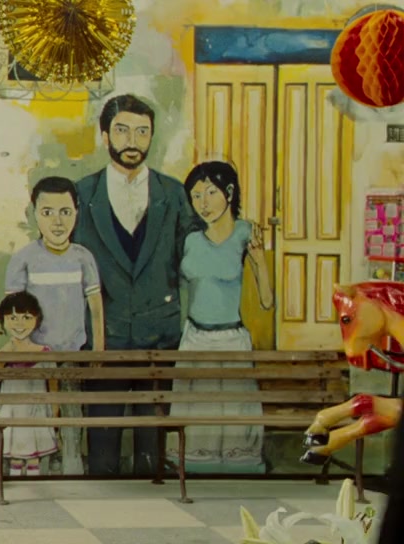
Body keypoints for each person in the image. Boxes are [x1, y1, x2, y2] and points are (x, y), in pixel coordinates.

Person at [72, 93, 195, 476]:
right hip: (102, 335)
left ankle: (154, 489)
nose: (133, 141)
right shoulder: (81, 195)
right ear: (105, 136)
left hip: (159, 332)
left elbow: (190, 258)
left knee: (152, 444)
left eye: (142, 132)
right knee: (102, 442)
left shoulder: (173, 194)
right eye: (123, 130)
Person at [165, 161, 271, 472]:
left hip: (231, 339)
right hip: (194, 339)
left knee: (233, 409)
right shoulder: (189, 239)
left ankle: (238, 464)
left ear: (229, 192)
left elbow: (267, 301)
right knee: (196, 411)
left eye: (211, 193)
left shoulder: (246, 233)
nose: (204, 203)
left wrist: (260, 261)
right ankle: (193, 464)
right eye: (196, 196)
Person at [4, 176, 103, 475]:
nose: (57, 222)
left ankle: (73, 473)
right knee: (37, 420)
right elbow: (12, 313)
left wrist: (98, 351)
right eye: (47, 212)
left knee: (72, 419)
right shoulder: (23, 259)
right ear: (34, 213)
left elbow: (96, 309)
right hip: (34, 360)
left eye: (65, 212)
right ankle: (40, 475)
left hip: (71, 356)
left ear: (76, 212)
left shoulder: (83, 258)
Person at [0, 291, 59, 476]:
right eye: (12, 318)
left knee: (33, 456)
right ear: (3, 321)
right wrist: (5, 353)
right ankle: (16, 481)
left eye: (26, 318)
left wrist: (54, 412)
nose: (19, 324)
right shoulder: (4, 352)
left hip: (36, 412)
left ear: (37, 320)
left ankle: (33, 482)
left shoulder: (44, 352)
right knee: (16, 454)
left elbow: (53, 385)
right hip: (12, 412)